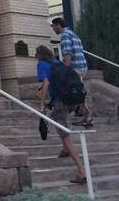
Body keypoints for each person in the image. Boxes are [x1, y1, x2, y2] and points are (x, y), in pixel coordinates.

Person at [35, 45, 87, 184]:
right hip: (72, 100)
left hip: (61, 102)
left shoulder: (42, 64)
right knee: (55, 118)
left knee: (65, 134)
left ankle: (81, 171)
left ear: (39, 55)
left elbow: (46, 83)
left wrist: (41, 104)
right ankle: (65, 150)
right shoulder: (58, 62)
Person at [51, 17, 94, 127]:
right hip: (82, 66)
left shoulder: (65, 35)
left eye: (53, 26)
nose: (53, 29)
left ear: (58, 25)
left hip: (75, 68)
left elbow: (67, 53)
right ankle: (86, 116)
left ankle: (87, 116)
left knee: (76, 93)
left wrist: (65, 70)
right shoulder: (73, 34)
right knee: (79, 92)